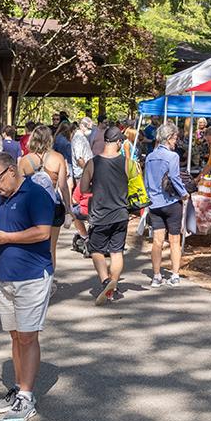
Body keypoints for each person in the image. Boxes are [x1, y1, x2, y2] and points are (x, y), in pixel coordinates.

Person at [0, 150, 57, 421]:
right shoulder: (2, 198)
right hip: (5, 277)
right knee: (15, 335)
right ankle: (18, 388)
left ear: (12, 170)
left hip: (31, 276)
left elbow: (42, 232)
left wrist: (6, 238)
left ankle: (27, 396)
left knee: (27, 336)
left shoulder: (35, 195)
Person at [81, 125, 131, 303]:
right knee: (117, 251)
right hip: (121, 213)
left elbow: (83, 188)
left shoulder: (93, 163)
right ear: (119, 142)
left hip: (100, 214)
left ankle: (105, 281)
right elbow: (134, 184)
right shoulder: (127, 162)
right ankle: (114, 285)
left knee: (96, 250)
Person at [18, 125, 69, 271]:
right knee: (51, 248)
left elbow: (20, 187)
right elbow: (63, 186)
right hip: (53, 205)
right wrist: (69, 209)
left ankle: (32, 276)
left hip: (31, 208)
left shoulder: (24, 160)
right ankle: (49, 280)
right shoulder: (58, 158)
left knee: (31, 245)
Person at [143, 122, 188, 286]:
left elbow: (146, 180)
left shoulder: (150, 156)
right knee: (174, 240)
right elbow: (175, 178)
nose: (176, 141)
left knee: (157, 241)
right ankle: (175, 275)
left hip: (154, 203)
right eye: (175, 138)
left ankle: (156, 276)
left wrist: (150, 197)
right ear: (169, 138)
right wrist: (184, 194)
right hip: (171, 202)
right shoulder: (173, 156)